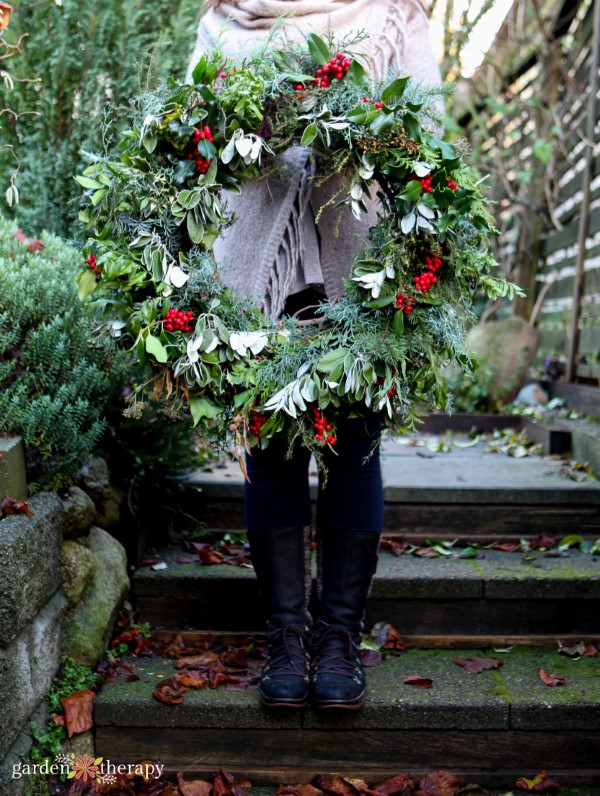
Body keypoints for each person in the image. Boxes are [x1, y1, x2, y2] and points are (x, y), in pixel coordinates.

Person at [188, 0, 442, 710]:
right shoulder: (224, 20)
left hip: (359, 262)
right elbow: (196, 143)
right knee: (270, 450)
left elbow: (425, 135)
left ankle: (337, 637)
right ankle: (285, 636)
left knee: (354, 446)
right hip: (254, 266)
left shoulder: (391, 15)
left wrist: (354, 129)